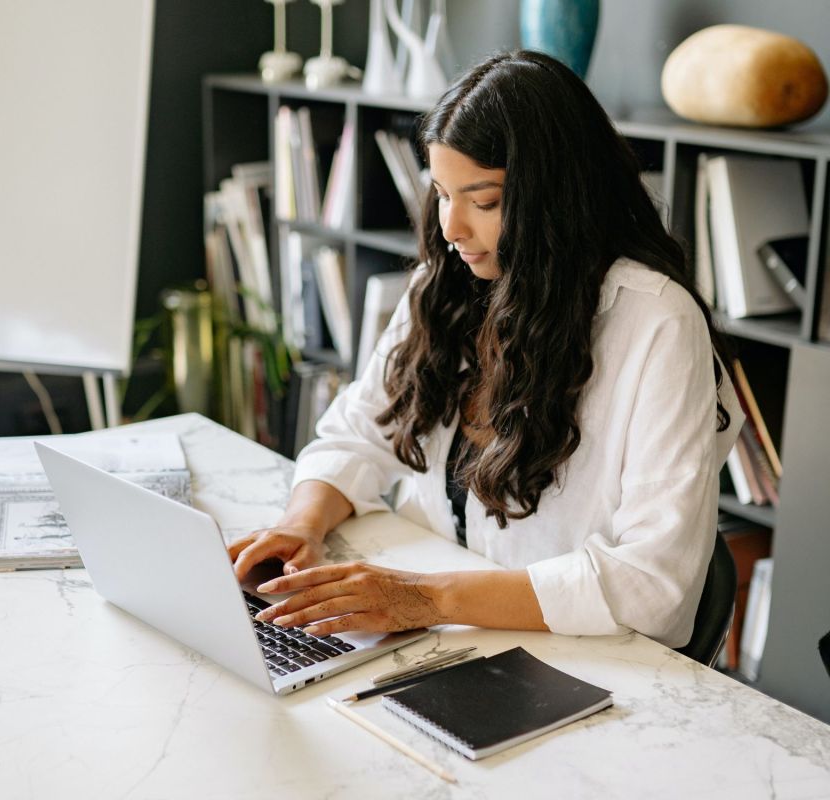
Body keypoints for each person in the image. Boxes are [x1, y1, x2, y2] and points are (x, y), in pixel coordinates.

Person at [227, 50, 744, 648]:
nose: (450, 228)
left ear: (558, 199)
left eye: (485, 201)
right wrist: (302, 525)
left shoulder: (656, 322)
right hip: (443, 633)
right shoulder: (448, 285)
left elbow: (653, 582)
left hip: (575, 658)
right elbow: (357, 432)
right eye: (442, 193)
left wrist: (422, 598)